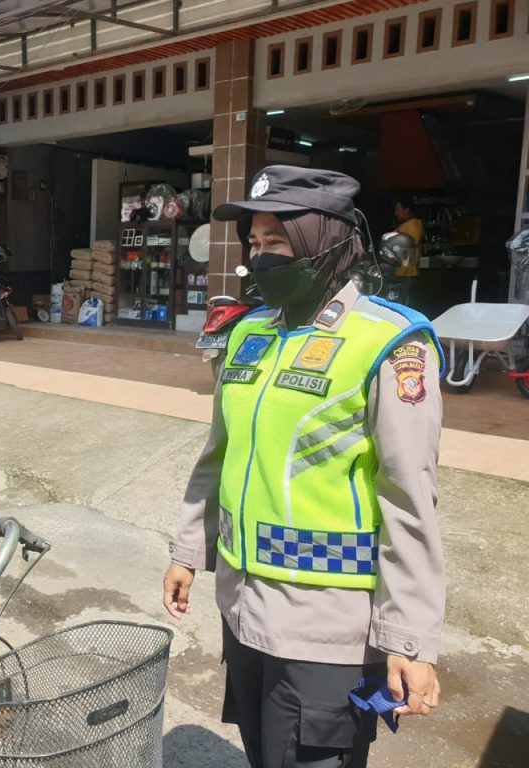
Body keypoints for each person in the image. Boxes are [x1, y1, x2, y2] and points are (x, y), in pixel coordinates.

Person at [163, 165, 445, 768]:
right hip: (243, 612)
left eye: (278, 243)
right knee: (265, 754)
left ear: (326, 243)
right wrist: (188, 550)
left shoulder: (391, 344)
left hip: (329, 630)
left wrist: (409, 639)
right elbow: (219, 454)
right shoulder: (249, 334)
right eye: (255, 245)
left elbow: (409, 499)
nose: (261, 259)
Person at [392, 194, 424, 304]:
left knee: (405, 304)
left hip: (406, 275)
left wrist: (404, 270)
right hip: (401, 274)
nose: (396, 213)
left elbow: (410, 248)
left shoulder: (413, 225)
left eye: (398, 210)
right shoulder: (407, 226)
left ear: (407, 210)